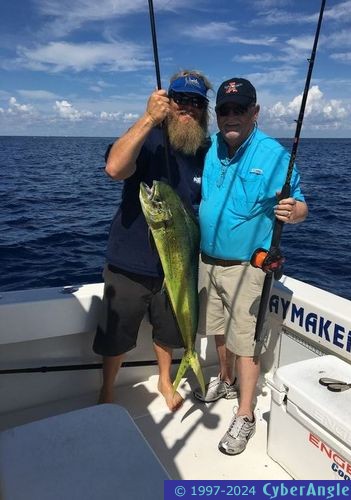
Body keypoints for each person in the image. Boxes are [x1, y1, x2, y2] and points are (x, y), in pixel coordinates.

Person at [195, 77, 308, 454]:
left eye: (239, 109)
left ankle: (245, 415)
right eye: (224, 110)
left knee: (246, 343)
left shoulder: (273, 154)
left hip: (247, 267)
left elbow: (302, 203)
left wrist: (295, 212)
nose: (230, 116)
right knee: (217, 330)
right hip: (206, 260)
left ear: (254, 112)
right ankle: (225, 380)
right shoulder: (210, 146)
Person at [93, 70, 212, 412]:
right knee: (117, 333)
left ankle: (164, 378)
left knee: (169, 331)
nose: (187, 107)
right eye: (180, 100)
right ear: (167, 102)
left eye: (196, 102)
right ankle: (108, 390)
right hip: (130, 260)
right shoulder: (147, 138)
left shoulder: (205, 149)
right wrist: (148, 118)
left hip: (180, 261)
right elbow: (115, 169)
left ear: (204, 109)